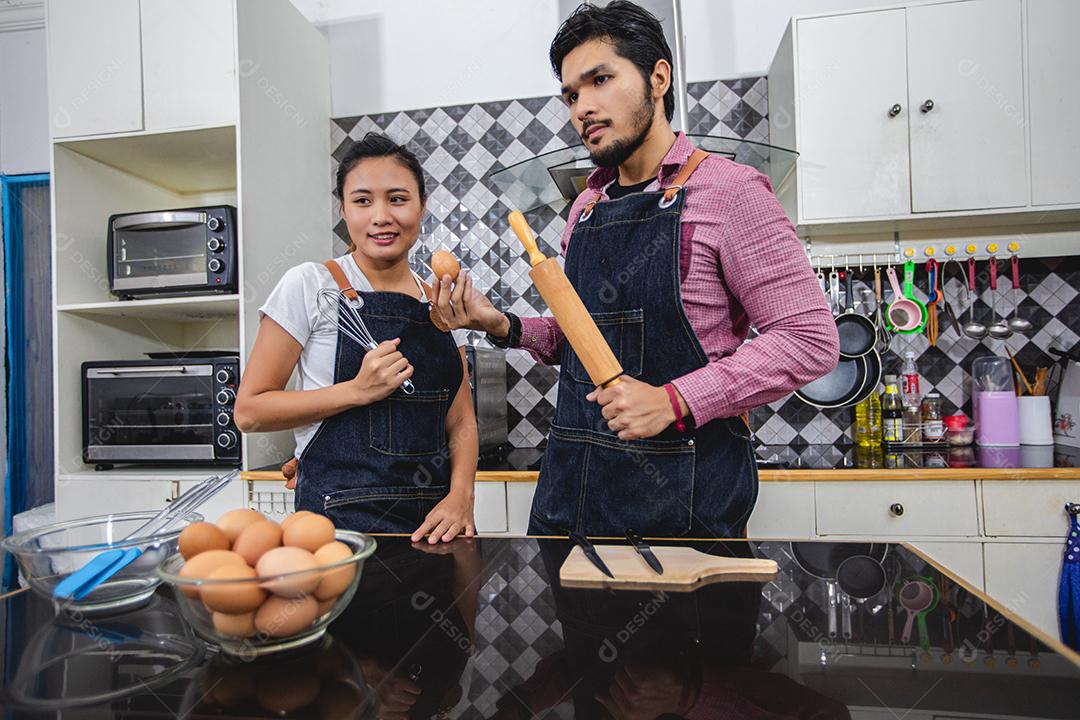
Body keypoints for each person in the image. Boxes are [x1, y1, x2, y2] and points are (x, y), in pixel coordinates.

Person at [432, 1, 838, 538]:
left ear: (658, 78)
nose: (583, 107)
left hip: (684, 498)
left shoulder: (730, 193)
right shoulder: (585, 208)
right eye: (572, 94)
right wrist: (499, 323)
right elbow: (584, 341)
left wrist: (674, 401)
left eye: (601, 79)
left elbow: (808, 339)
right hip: (572, 490)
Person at [235, 132, 478, 543]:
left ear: (421, 207)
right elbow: (250, 411)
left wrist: (461, 495)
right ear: (344, 210)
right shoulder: (310, 284)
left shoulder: (436, 299)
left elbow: (460, 420)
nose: (381, 216)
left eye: (398, 199)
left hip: (435, 526)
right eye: (363, 201)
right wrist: (358, 390)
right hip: (336, 527)